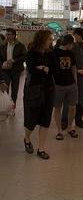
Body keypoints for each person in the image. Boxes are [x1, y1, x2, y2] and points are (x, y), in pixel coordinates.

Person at [23, 29, 55, 160]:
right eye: (49, 39)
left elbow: (53, 68)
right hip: (34, 90)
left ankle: (41, 149)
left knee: (45, 119)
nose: (51, 41)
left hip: (48, 89)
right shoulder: (31, 53)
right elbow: (30, 68)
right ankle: (27, 138)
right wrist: (43, 69)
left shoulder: (50, 54)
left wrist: (43, 68)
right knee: (32, 119)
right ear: (42, 39)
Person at [53, 34, 78, 140]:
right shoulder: (54, 53)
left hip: (71, 84)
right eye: (72, 44)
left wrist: (75, 81)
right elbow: (52, 70)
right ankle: (59, 131)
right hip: (58, 85)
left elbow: (73, 67)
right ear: (68, 43)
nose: (72, 46)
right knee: (58, 107)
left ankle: (69, 128)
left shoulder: (71, 53)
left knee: (72, 107)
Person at [0, 28, 27, 109]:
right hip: (5, 71)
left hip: (16, 70)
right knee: (5, 88)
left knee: (15, 90)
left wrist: (14, 60)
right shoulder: (3, 45)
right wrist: (2, 64)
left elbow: (25, 56)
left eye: (9, 34)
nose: (7, 36)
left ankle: (13, 107)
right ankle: (6, 106)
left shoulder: (20, 45)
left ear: (14, 35)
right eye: (6, 34)